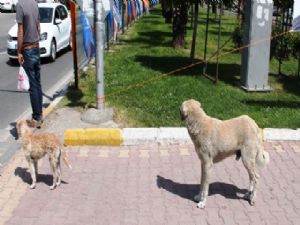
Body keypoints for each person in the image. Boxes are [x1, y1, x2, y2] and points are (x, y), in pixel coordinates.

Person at [16, 0, 43, 128]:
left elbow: (20, 30)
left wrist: (19, 51)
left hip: (27, 49)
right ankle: (40, 114)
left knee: (32, 86)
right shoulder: (34, 3)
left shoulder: (20, 5)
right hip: (36, 47)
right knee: (37, 83)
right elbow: (38, 26)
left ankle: (36, 117)